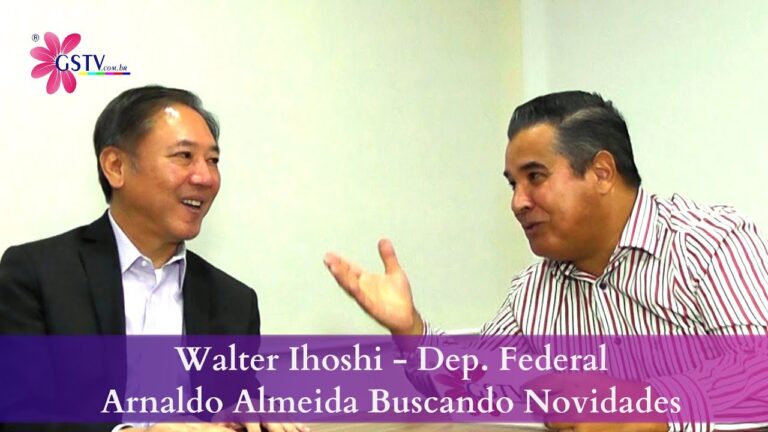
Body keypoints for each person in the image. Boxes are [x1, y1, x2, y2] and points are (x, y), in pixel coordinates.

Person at [323, 91, 768, 432]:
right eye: (512, 184)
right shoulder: (533, 291)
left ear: (601, 173)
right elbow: (467, 385)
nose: (518, 202)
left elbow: (758, 373)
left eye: (535, 177)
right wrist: (409, 329)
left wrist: (650, 406)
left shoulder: (710, 244)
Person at [0, 85, 307, 432]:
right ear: (115, 166)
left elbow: (234, 405)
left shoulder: (234, 302)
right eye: (184, 156)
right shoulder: (37, 275)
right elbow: (19, 417)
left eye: (213, 160)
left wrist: (243, 417)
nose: (205, 177)